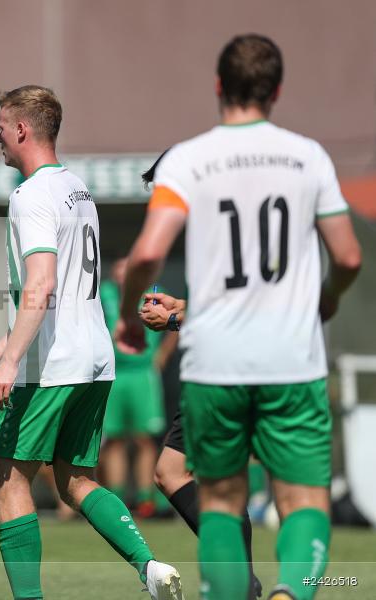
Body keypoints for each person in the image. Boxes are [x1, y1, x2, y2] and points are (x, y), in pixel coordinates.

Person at [116, 34, 362, 600]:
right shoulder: (308, 156)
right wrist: (327, 297)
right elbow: (348, 256)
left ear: (218, 86)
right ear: (277, 91)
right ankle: (287, 594)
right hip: (291, 359)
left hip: (217, 365)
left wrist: (131, 317)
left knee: (222, 501)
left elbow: (149, 253)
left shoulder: (192, 159)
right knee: (302, 501)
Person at [0, 85, 182, 600]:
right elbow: (69, 298)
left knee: (7, 480)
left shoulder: (30, 195)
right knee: (77, 482)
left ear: (21, 129)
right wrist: (4, 343)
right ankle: (149, 567)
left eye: (0, 129)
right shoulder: (78, 189)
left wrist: (11, 361)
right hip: (94, 359)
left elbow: (42, 284)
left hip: (50, 366)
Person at [139, 155, 264, 599]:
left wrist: (171, 323)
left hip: (225, 367)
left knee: (191, 476)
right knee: (185, 474)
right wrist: (179, 308)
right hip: (240, 363)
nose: (160, 205)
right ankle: (244, 582)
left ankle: (243, 583)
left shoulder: (215, 228)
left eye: (161, 192)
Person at [98, 257, 176, 517]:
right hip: (114, 373)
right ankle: (118, 499)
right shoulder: (104, 294)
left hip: (143, 373)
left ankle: (146, 500)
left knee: (144, 438)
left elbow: (176, 324)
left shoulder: (154, 293)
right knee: (114, 439)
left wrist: (161, 356)